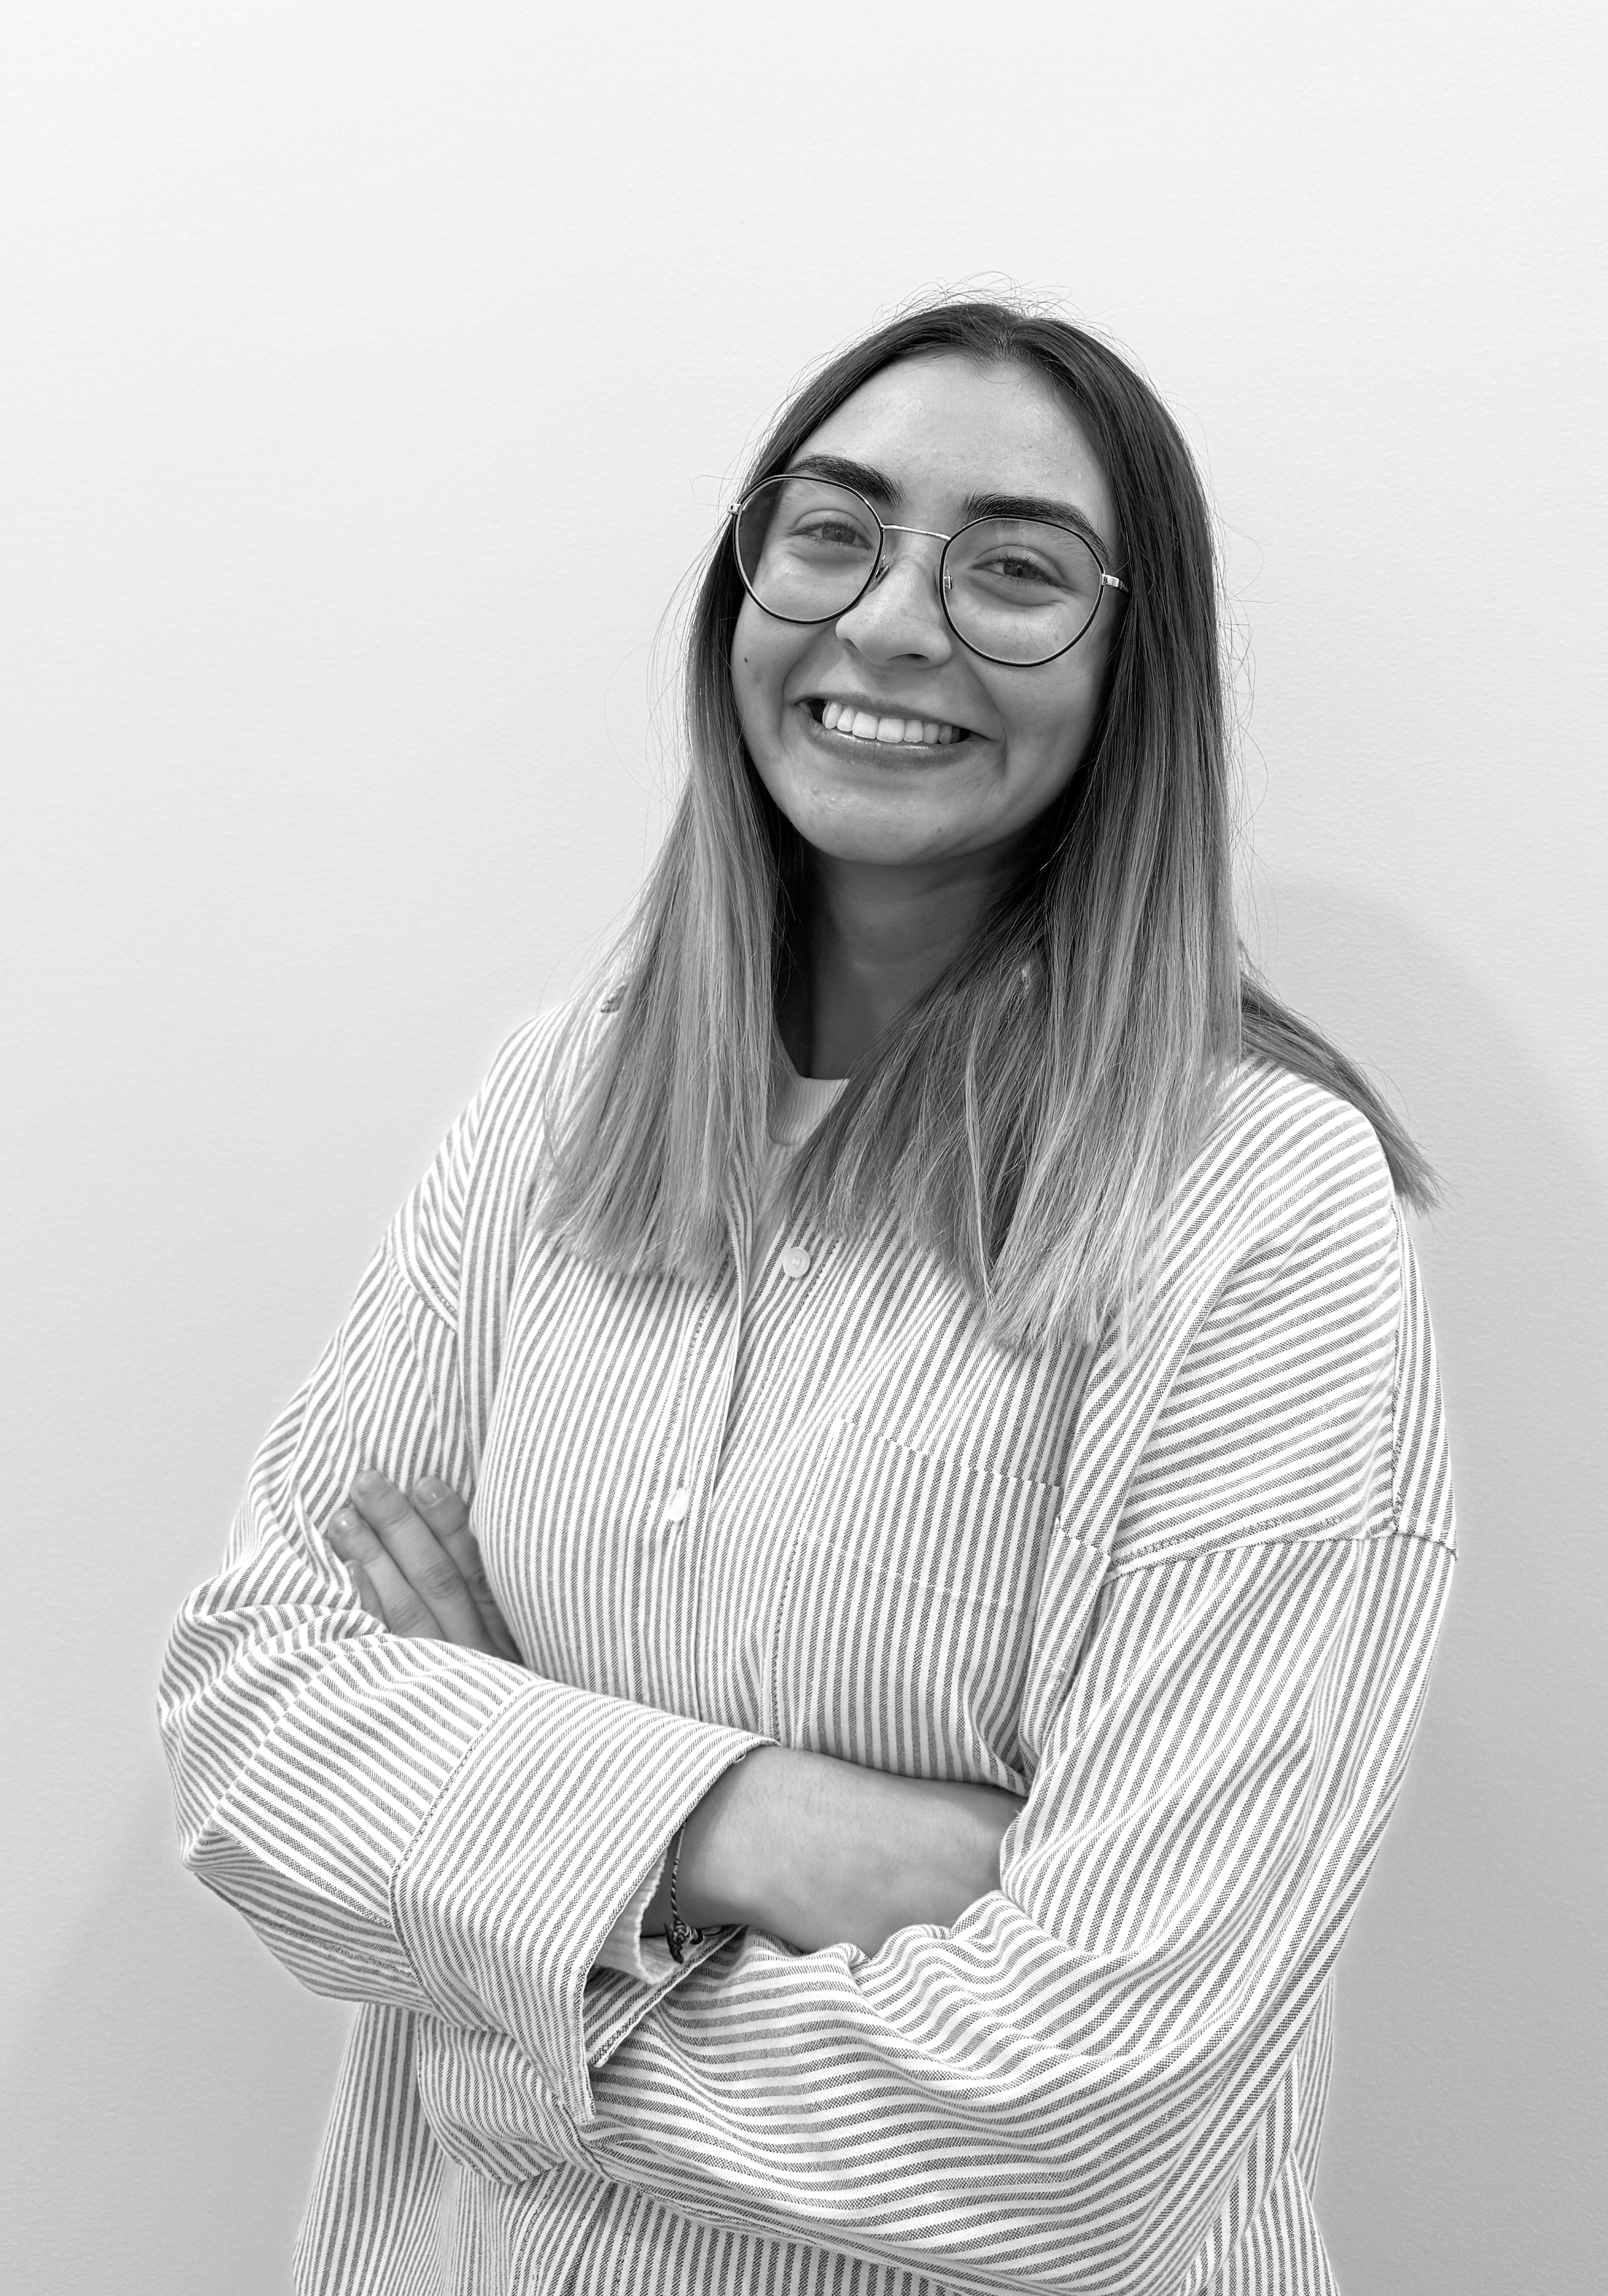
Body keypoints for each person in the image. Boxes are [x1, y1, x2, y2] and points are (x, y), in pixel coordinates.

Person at [160, 299, 1455, 2296]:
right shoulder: (556, 1099)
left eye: (1014, 570)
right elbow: (251, 1715)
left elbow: (1077, 2128)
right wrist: (748, 1822)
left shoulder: (1258, 1208)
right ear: (740, 590)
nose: (894, 622)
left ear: (1134, 675)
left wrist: (509, 1952)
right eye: (832, 532)